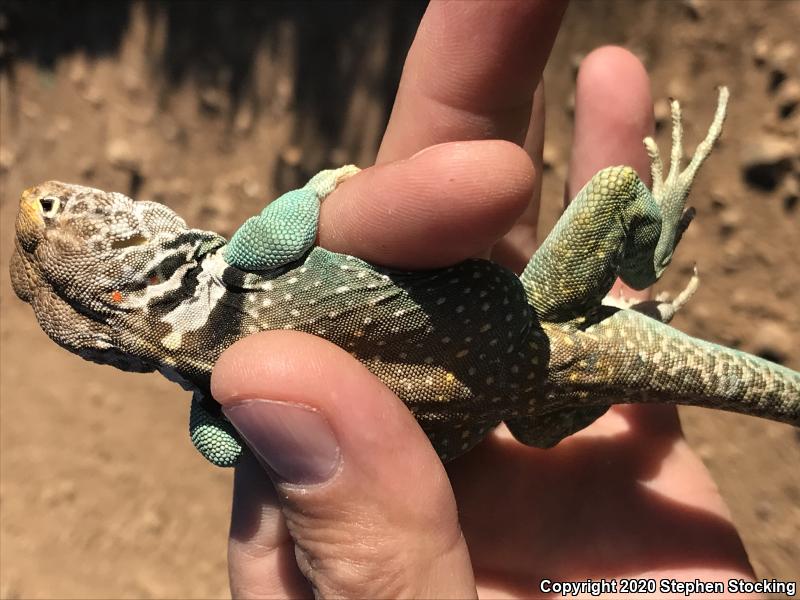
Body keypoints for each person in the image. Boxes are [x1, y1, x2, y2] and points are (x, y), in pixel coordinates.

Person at [211, 2, 757, 597]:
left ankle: (628, 323)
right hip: (530, 325)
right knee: (618, 189)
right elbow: (291, 223)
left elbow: (216, 444)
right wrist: (319, 187)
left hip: (517, 415)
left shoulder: (210, 386)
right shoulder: (239, 261)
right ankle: (641, 272)